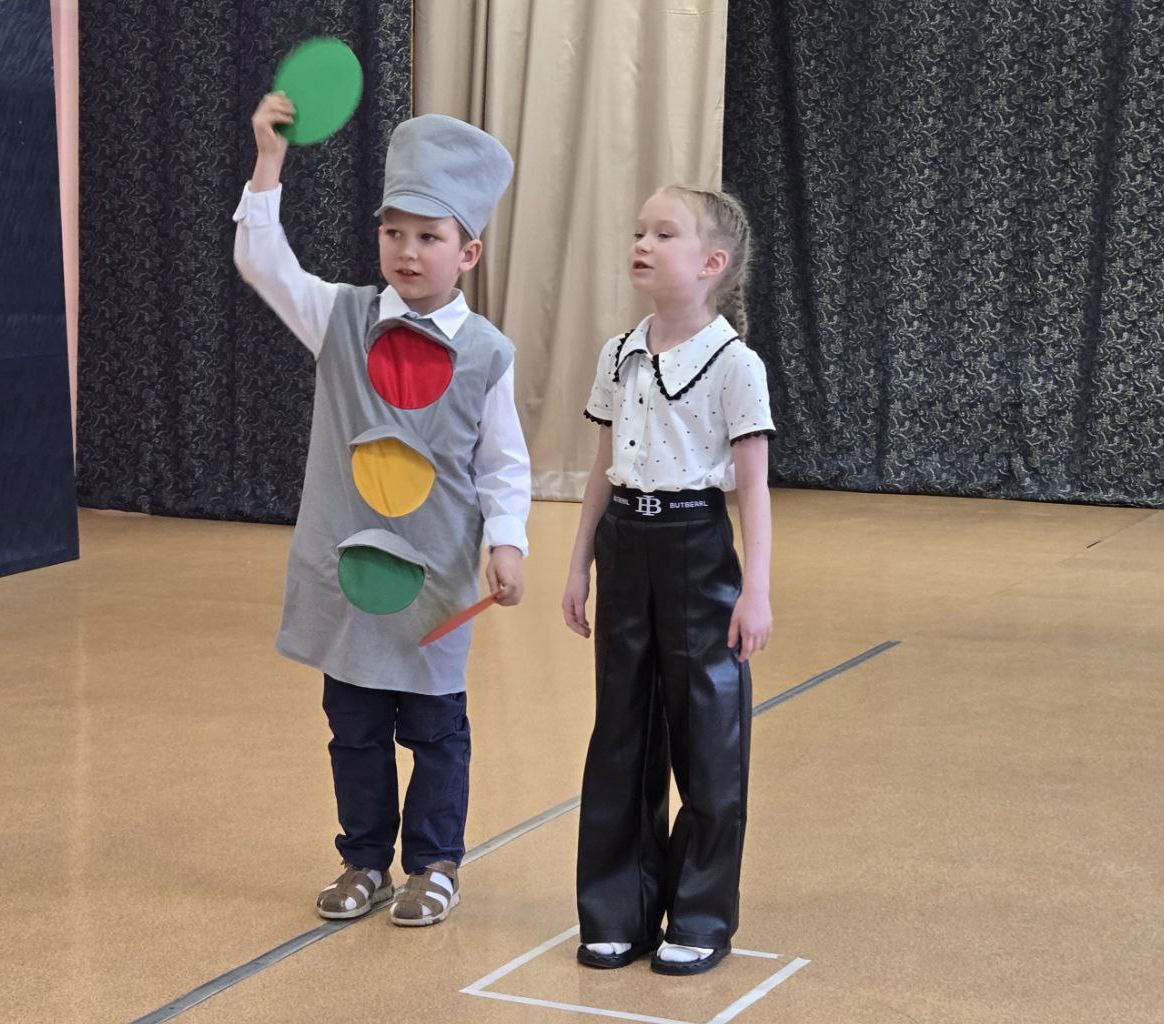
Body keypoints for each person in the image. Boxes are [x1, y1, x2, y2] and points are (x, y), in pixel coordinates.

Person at [234, 94, 529, 927]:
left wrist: (508, 542)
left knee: (435, 728)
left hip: (434, 585)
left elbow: (503, 463)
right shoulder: (341, 318)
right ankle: (364, 860)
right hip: (352, 577)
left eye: (429, 236)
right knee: (355, 727)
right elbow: (264, 265)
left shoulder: (487, 354)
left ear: (467, 252)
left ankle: (434, 863)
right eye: (393, 231)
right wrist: (269, 162)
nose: (407, 250)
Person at [562, 186, 774, 975]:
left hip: (695, 549)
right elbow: (600, 466)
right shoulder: (618, 353)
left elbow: (753, 486)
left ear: (712, 263)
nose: (642, 243)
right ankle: (618, 909)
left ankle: (701, 914)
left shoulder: (735, 364)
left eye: (664, 233)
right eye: (638, 231)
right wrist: (580, 562)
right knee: (621, 732)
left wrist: (756, 589)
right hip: (625, 543)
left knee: (708, 736)